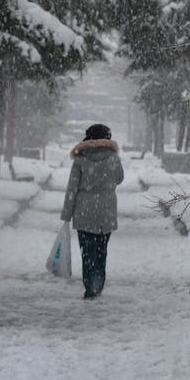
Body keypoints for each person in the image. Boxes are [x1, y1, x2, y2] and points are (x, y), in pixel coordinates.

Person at [60, 123, 124, 299]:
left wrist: (66, 214)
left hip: (84, 211)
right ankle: (99, 284)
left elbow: (72, 188)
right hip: (106, 211)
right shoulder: (113, 158)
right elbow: (119, 178)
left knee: (87, 253)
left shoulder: (81, 158)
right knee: (101, 250)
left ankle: (90, 287)